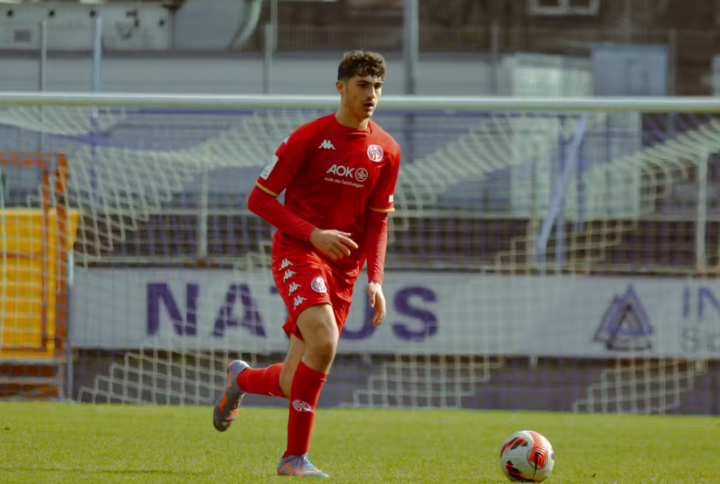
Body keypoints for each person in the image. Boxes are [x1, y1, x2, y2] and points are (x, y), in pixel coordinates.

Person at [213, 50, 401, 478]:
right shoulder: (309, 137)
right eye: (362, 85)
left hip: (345, 269)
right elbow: (259, 199)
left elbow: (378, 222)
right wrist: (313, 234)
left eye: (377, 87)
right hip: (299, 251)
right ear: (341, 88)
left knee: (289, 380)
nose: (371, 95)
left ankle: (241, 379)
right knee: (325, 338)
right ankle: (293, 458)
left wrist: (375, 279)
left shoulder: (388, 150)